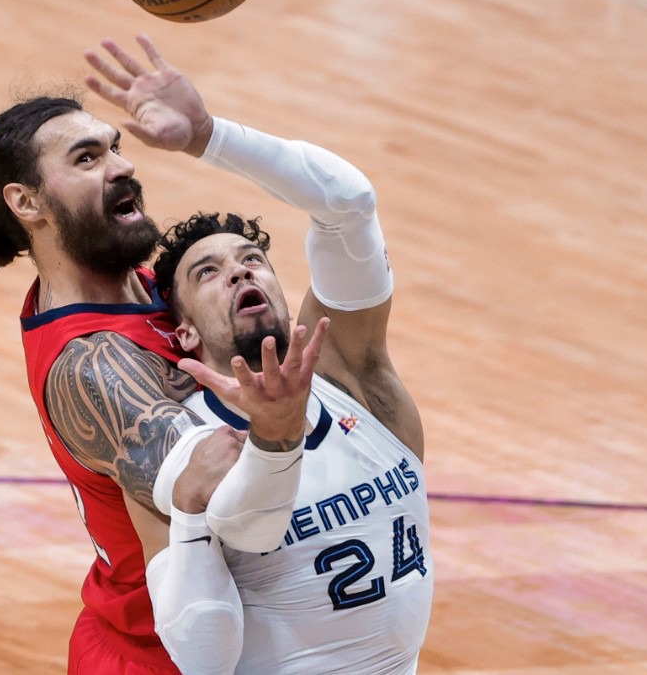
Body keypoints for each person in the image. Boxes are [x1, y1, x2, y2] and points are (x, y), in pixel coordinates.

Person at [0, 76, 325, 673]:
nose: (121, 166)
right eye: (87, 159)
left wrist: (212, 136)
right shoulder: (90, 365)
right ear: (27, 203)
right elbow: (215, 492)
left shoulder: (162, 285)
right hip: (160, 655)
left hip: (245, 632)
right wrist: (286, 424)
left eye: (114, 147)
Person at [85, 37, 433, 675]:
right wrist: (227, 483)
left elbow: (348, 205)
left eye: (252, 261)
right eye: (208, 272)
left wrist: (208, 135)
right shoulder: (177, 443)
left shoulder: (356, 381)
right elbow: (201, 654)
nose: (239, 272)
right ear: (184, 332)